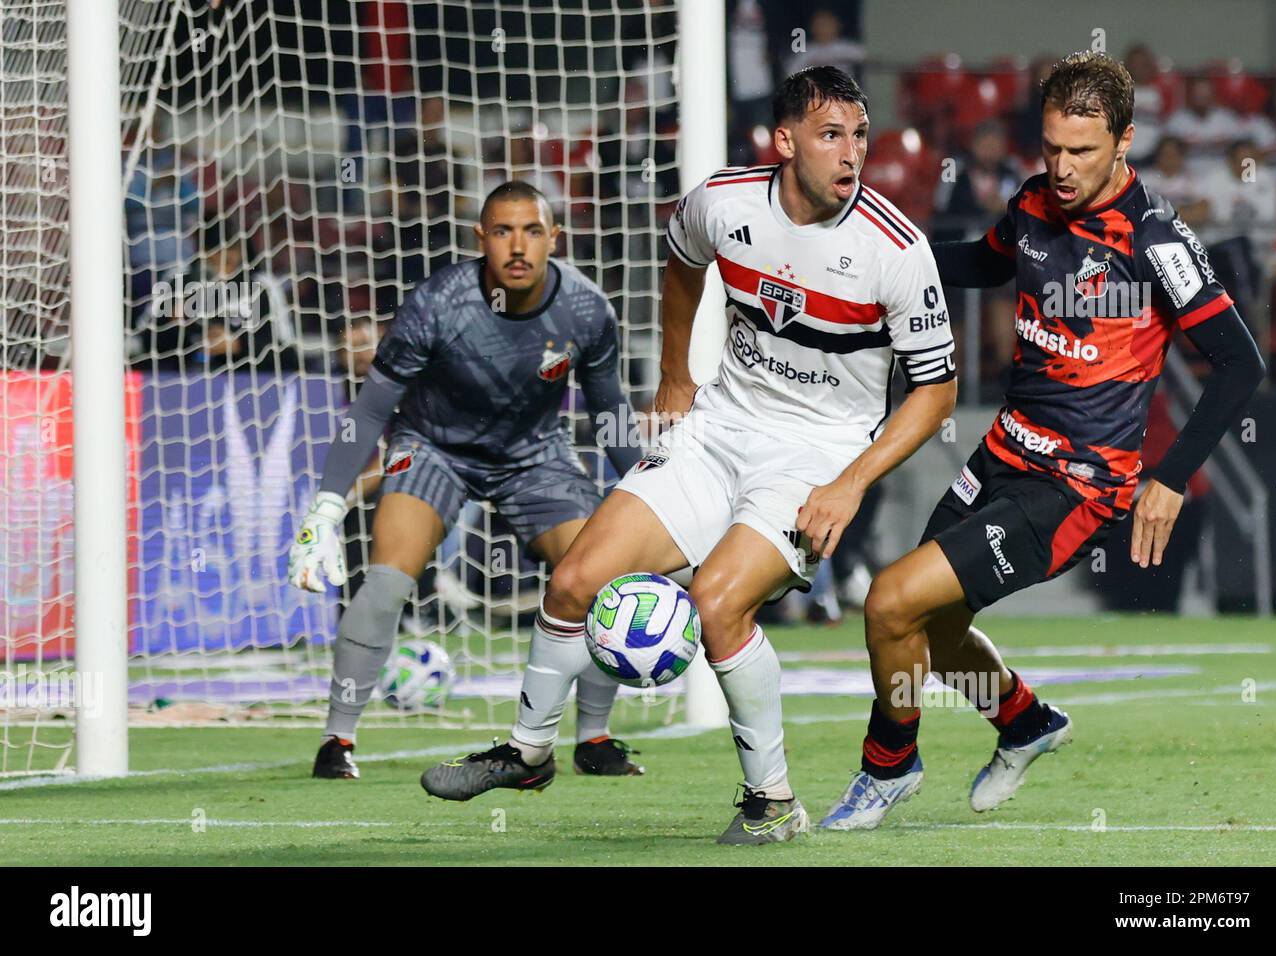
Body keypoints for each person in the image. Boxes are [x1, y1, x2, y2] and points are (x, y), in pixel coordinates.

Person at [422, 66, 958, 844]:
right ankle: (529, 751)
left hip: (812, 459)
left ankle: (772, 802)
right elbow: (682, 265)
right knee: (573, 580)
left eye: (860, 137)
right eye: (830, 135)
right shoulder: (722, 200)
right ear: (783, 141)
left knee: (717, 602)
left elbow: (936, 393)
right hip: (715, 432)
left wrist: (850, 482)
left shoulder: (895, 249)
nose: (852, 154)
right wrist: (676, 376)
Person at [818, 51, 1265, 831]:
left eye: (1082, 151)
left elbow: (1239, 363)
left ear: (1123, 141)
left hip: (1075, 487)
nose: (1060, 167)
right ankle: (1024, 722)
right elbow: (982, 264)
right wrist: (889, 261)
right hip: (1001, 454)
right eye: (1051, 147)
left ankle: (888, 766)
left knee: (890, 600)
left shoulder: (1154, 237)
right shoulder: (1032, 203)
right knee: (930, 625)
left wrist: (1169, 475)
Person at [289, 181, 646, 782]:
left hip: (535, 453)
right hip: (432, 448)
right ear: (481, 239)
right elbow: (373, 410)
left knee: (600, 578)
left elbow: (611, 411)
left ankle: (594, 737)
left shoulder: (587, 311)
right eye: (502, 231)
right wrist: (326, 507)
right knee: (384, 582)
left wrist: (645, 492)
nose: (518, 246)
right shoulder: (437, 304)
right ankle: (337, 739)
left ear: (553, 238)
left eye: (532, 231)